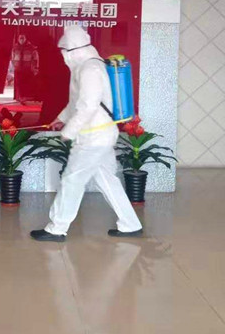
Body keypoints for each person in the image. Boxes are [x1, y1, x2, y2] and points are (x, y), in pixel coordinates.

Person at [30, 26, 143, 242]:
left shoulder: (90, 69)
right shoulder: (88, 66)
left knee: (72, 180)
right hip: (100, 134)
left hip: (93, 136)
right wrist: (61, 118)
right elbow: (77, 101)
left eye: (64, 50)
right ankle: (130, 224)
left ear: (72, 50)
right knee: (107, 180)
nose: (63, 55)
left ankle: (56, 228)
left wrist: (69, 131)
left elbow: (88, 105)